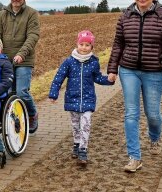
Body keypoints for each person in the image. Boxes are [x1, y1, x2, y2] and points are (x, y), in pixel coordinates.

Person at [107, 0, 162, 172]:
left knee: (152, 114)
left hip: (155, 72)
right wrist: (113, 69)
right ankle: (134, 157)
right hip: (128, 70)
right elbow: (118, 44)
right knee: (131, 113)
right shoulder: (126, 16)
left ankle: (154, 137)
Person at [49, 30, 114, 167]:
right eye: (81, 44)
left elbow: (97, 78)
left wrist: (109, 80)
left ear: (92, 47)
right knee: (75, 124)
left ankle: (83, 150)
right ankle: (76, 143)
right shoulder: (69, 62)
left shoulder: (94, 62)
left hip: (88, 98)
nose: (84, 47)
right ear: (77, 44)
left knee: (86, 123)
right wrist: (53, 93)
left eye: (87, 45)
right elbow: (58, 77)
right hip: (72, 98)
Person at [0, 0, 40, 134]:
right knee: (6, 93)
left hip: (24, 60)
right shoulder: (3, 14)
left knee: (21, 92)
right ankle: (11, 119)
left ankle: (32, 115)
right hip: (5, 60)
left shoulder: (31, 13)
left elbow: (33, 36)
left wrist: (22, 53)